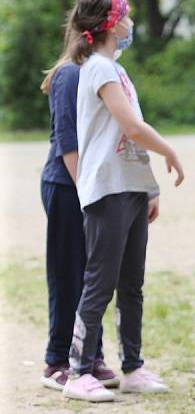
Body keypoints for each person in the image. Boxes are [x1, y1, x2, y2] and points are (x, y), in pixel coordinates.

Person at [61, 0, 184, 403]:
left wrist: (148, 188)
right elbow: (131, 125)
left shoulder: (118, 70)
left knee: (132, 283)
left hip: (129, 188)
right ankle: (78, 370)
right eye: (126, 16)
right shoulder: (97, 67)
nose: (131, 22)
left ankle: (132, 366)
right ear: (112, 23)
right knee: (101, 281)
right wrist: (170, 150)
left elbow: (128, 139)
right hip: (106, 190)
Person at [40, 36, 117, 392]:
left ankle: (89, 354)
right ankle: (57, 358)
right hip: (67, 187)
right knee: (67, 274)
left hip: (92, 188)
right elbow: (67, 142)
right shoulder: (69, 74)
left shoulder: (101, 72)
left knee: (93, 275)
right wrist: (86, 192)